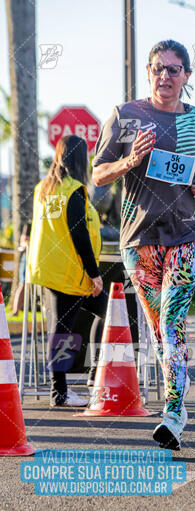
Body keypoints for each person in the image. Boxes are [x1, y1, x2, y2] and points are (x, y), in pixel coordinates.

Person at [92, 39, 195, 450]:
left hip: (189, 230)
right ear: (149, 72)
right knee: (159, 331)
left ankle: (173, 413)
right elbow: (98, 175)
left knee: (171, 320)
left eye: (174, 69)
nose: (165, 76)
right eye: (158, 68)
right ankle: (177, 397)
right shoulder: (125, 115)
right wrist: (130, 161)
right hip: (140, 237)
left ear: (186, 76)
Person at [27, 135, 107, 407]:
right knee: (63, 331)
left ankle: (93, 375)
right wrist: (94, 272)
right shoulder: (72, 190)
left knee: (104, 313)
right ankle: (59, 392)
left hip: (49, 267)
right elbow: (78, 233)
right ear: (80, 159)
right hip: (70, 271)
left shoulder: (43, 189)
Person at [11, 223, 31, 317]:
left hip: (38, 259)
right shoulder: (29, 225)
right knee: (23, 285)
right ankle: (15, 311)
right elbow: (23, 242)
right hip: (27, 257)